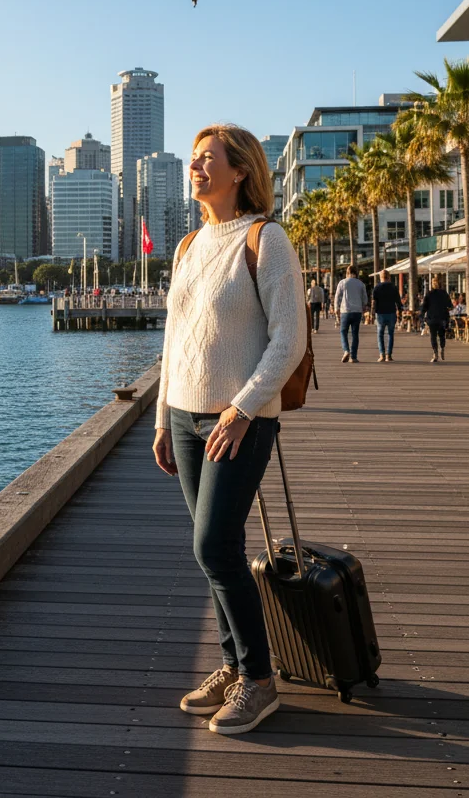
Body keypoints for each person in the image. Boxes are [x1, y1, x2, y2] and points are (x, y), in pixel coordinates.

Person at [152, 123, 306, 736]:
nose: (195, 167)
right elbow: (174, 340)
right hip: (186, 420)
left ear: (239, 171)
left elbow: (288, 341)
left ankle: (260, 682)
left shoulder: (266, 240)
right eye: (192, 160)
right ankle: (231, 663)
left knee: (212, 546)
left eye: (206, 159)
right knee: (217, 552)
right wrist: (164, 417)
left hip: (238, 421)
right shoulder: (189, 246)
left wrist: (242, 409)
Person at [333, 266, 367, 363]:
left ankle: (346, 350)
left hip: (345, 311)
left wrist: (336, 309)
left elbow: (337, 297)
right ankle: (354, 357)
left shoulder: (342, 282)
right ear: (356, 273)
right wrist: (363, 307)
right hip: (357, 311)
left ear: (347, 273)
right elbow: (365, 299)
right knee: (355, 334)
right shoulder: (361, 284)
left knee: (343, 332)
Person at [371, 269, 403, 362]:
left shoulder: (376, 288)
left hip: (380, 313)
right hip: (391, 313)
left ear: (380, 277)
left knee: (380, 334)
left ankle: (381, 355)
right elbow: (398, 301)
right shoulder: (394, 287)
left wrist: (372, 313)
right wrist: (400, 312)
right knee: (390, 334)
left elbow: (374, 302)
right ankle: (388, 355)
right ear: (389, 277)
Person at [421, 274, 452, 362]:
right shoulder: (444, 293)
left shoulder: (429, 294)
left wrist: (422, 316)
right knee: (442, 335)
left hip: (432, 318)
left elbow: (424, 307)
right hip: (442, 317)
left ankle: (435, 353)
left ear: (432, 284)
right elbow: (449, 305)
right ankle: (442, 348)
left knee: (433, 336)